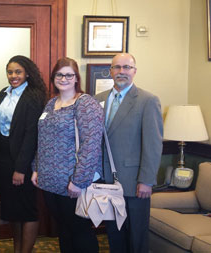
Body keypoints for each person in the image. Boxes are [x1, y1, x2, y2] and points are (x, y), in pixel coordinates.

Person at [31, 57, 103, 253]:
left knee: (80, 230)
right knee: (63, 228)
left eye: (69, 75)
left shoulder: (85, 103)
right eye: (59, 74)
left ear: (76, 78)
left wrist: (79, 181)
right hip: (49, 181)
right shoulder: (51, 103)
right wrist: (36, 168)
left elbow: (91, 145)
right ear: (53, 77)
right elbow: (42, 140)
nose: (64, 78)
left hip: (72, 183)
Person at [95, 53, 163, 253]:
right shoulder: (98, 100)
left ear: (134, 71)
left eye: (127, 67)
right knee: (115, 235)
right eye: (117, 67)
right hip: (105, 182)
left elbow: (153, 144)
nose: (121, 72)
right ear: (110, 71)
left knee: (137, 237)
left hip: (134, 183)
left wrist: (147, 180)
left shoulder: (147, 100)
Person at [0, 55, 46, 253]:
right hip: (3, 159)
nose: (13, 76)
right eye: (10, 72)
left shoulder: (34, 96)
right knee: (11, 211)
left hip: (22, 162)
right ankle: (18, 249)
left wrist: (20, 169)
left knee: (27, 211)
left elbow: (31, 134)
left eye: (18, 72)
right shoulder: (3, 94)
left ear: (27, 73)